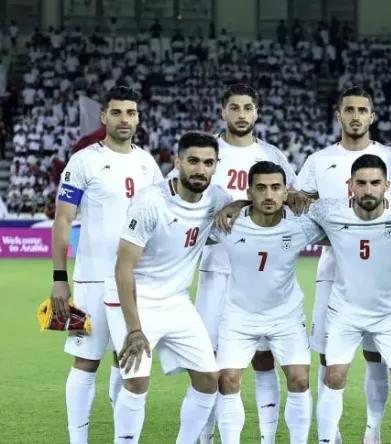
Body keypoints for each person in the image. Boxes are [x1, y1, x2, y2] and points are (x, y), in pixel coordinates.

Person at [178, 84, 307, 444]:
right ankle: (206, 436)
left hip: (261, 276)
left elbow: (291, 197)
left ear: (257, 113)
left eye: (248, 107)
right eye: (234, 107)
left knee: (264, 359)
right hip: (216, 269)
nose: (241, 114)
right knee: (210, 365)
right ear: (223, 111)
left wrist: (240, 204)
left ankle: (267, 436)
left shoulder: (271, 154)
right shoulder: (208, 153)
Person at [297, 86, 391, 443]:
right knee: (327, 356)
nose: (356, 116)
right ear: (339, 115)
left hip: (378, 273)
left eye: (363, 110)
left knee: (376, 355)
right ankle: (329, 433)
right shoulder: (319, 160)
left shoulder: (390, 156)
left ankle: (372, 431)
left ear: (372, 116)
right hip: (332, 269)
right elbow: (302, 207)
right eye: (349, 110)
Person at [50, 86, 162, 444]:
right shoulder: (83, 161)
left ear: (138, 118)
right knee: (86, 362)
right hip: (92, 281)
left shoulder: (147, 163)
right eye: (117, 112)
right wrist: (59, 278)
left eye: (131, 113)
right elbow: (63, 220)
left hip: (135, 282)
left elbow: (161, 218)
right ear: (104, 116)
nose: (124, 119)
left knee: (126, 360)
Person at [105, 131, 231, 444]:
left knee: (209, 380)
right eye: (193, 161)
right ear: (177, 162)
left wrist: (239, 204)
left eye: (208, 163)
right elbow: (123, 268)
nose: (200, 169)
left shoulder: (217, 199)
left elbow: (240, 208)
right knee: (137, 382)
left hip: (176, 301)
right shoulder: (151, 201)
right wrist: (134, 329)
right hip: (136, 296)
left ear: (216, 166)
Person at [309, 154, 391, 444]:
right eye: (361, 183)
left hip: (390, 312)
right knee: (334, 375)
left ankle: (381, 434)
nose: (368, 190)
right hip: (344, 310)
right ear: (350, 185)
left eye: (375, 183)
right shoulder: (329, 210)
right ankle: (327, 440)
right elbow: (293, 212)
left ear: (386, 185)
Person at [209, 161, 322, 444]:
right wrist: (235, 205)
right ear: (249, 192)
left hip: (286, 316)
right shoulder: (228, 223)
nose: (269, 195)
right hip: (240, 316)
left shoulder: (301, 224)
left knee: (299, 379)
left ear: (286, 191)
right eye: (261, 188)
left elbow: (342, 214)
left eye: (275, 188)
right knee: (227, 380)